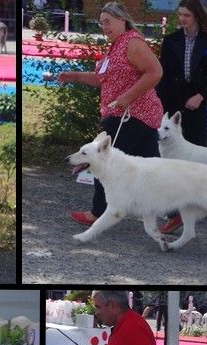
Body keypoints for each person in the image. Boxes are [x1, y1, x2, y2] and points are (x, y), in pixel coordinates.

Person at [58, 2, 163, 227]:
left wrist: (126, 98)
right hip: (138, 116)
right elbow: (102, 79)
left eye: (109, 21)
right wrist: (73, 76)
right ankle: (175, 211)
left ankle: (98, 212)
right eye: (102, 23)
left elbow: (155, 72)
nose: (105, 26)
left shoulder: (132, 42)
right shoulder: (115, 46)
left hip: (130, 115)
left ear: (122, 20)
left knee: (102, 160)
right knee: (153, 170)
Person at [156, 0, 207, 234]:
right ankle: (175, 214)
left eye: (186, 15)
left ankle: (195, 208)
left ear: (196, 16)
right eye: (180, 15)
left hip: (196, 107)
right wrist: (161, 108)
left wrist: (201, 97)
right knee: (172, 164)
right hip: (172, 107)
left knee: (196, 160)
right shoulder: (171, 40)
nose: (182, 19)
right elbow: (162, 76)